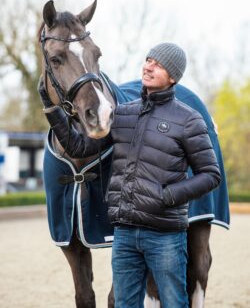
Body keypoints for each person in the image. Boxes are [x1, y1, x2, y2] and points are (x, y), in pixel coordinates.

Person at [39, 42, 221, 308]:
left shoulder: (189, 119)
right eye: (148, 59)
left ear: (172, 77)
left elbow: (210, 174)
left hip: (164, 234)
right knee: (124, 303)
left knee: (172, 302)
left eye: (157, 64)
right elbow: (78, 146)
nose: (148, 66)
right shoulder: (122, 114)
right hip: (124, 234)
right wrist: (50, 108)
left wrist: (167, 195)